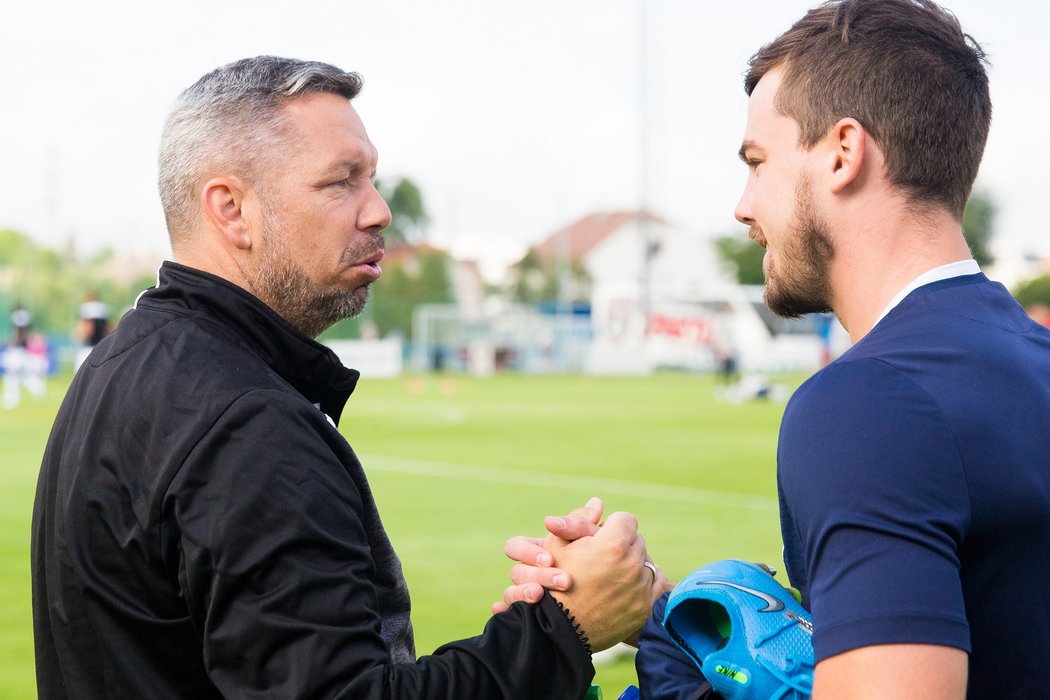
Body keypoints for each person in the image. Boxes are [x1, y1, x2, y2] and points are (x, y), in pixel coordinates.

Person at [31, 56, 661, 699]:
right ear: (231, 210)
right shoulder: (248, 425)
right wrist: (566, 625)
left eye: (373, 179)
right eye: (341, 182)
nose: (379, 211)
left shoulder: (122, 362)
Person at [503, 1, 1050, 697]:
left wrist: (679, 684)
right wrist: (668, 617)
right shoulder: (1033, 359)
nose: (742, 205)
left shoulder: (870, 400)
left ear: (843, 154)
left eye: (757, 163)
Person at [73, 291, 111, 371]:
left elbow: (85, 332)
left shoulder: (86, 310)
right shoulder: (104, 309)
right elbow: (109, 329)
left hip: (87, 350)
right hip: (103, 350)